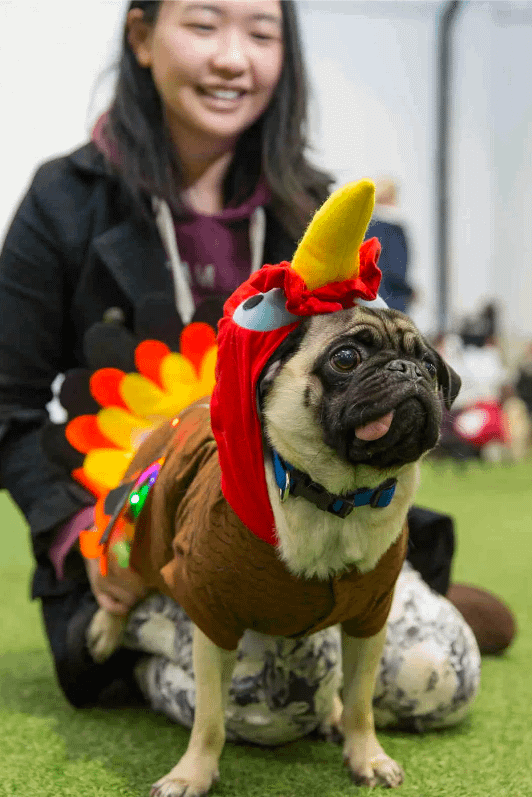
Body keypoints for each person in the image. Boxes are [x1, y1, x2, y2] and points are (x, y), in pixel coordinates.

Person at [0, 0, 511, 739]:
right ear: (142, 37)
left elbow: (377, 378)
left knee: (441, 675)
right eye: (204, 25)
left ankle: (392, 605)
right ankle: (148, 637)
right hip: (140, 538)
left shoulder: (314, 207)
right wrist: (82, 533)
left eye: (262, 32)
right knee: (276, 704)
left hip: (319, 528)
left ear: (286, 52)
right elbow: (8, 406)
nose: (233, 58)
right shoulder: (63, 200)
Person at [365, 178, 414, 314]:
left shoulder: (365, 227)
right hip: (392, 301)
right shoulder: (393, 228)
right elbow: (395, 269)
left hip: (367, 302)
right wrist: (409, 291)